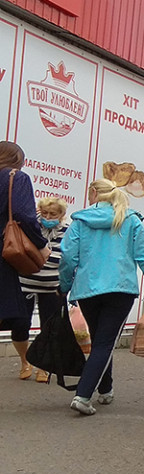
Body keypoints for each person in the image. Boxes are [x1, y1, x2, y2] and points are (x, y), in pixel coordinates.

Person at [59, 178, 144, 415]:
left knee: (99, 341)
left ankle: (106, 390)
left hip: (87, 291)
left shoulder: (80, 221)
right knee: (105, 343)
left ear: (94, 193)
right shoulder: (130, 220)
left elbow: (67, 258)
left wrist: (65, 285)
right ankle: (83, 396)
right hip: (120, 290)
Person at [0, 141, 49, 380]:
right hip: (4, 255)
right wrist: (41, 245)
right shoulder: (15, 178)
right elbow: (23, 215)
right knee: (11, 312)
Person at [16, 196, 70, 383]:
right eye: (44, 212)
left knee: (49, 328)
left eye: (53, 214)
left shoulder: (68, 231)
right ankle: (25, 362)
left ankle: (43, 366)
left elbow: (70, 258)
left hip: (52, 287)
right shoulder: (31, 228)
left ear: (62, 215)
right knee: (20, 325)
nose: (48, 216)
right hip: (24, 284)